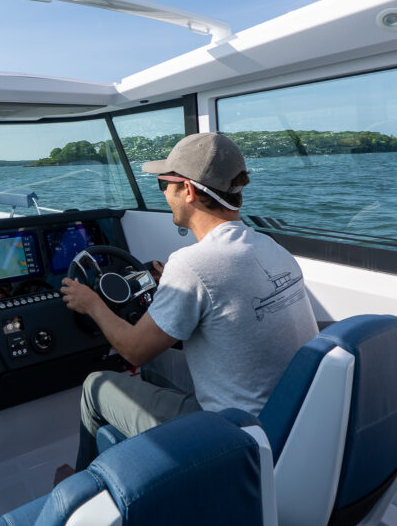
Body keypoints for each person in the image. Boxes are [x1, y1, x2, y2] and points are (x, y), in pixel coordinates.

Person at [59, 132, 318, 474]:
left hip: (232, 436)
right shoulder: (270, 246)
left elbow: (133, 351)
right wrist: (172, 287)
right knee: (157, 364)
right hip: (288, 422)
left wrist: (92, 303)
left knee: (96, 385)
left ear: (189, 191)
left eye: (164, 184)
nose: (164, 193)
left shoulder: (192, 264)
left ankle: (78, 491)